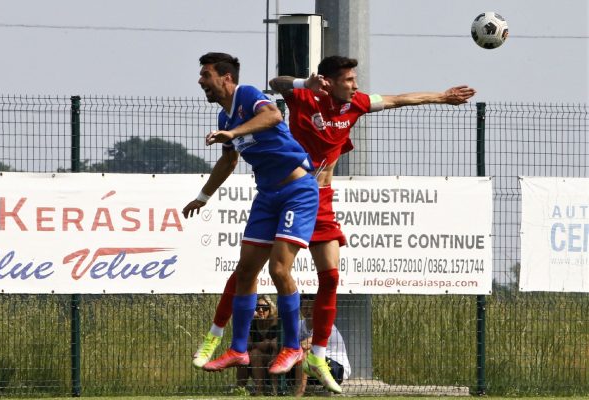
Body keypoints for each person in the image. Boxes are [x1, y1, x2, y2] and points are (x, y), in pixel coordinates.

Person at [192, 55, 476, 392]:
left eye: (356, 79)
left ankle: (318, 355)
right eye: (350, 79)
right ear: (329, 80)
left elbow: (400, 99)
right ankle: (221, 338)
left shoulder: (357, 103)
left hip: (315, 196)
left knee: (327, 276)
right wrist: (303, 83)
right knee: (250, 269)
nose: (356, 85)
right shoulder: (306, 98)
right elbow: (276, 84)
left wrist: (443, 97)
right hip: (289, 189)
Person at [183, 52, 319, 375]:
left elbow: (273, 116)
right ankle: (238, 350)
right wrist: (203, 196)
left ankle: (292, 347)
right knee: (245, 272)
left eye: (206, 75)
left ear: (226, 78)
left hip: (296, 191)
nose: (201, 81)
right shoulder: (224, 119)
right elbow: (228, 162)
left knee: (279, 269)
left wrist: (234, 133)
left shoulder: (246, 95)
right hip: (267, 195)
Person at [293, 294, 350, 397]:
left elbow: (304, 345)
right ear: (300, 309)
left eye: (312, 308)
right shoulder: (299, 324)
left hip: (336, 369)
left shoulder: (325, 326)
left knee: (305, 353)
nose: (309, 311)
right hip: (316, 367)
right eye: (305, 308)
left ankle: (299, 392)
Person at [236, 295, 279, 396]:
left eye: (264, 308)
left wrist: (259, 345)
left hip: (273, 358)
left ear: (270, 309)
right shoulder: (253, 324)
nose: (260, 310)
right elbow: (246, 344)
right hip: (256, 360)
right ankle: (239, 389)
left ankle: (263, 390)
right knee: (242, 357)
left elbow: (274, 345)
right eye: (257, 307)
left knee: (255, 353)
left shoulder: (276, 323)